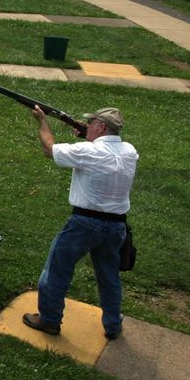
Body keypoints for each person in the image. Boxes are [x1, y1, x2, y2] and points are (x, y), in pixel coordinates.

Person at [23, 106, 139, 340]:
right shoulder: (130, 151)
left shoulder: (88, 151)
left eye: (92, 122)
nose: (89, 124)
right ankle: (113, 325)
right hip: (117, 226)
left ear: (101, 126)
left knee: (57, 270)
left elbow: (49, 149)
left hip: (84, 224)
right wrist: (88, 135)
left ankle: (49, 319)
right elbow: (102, 151)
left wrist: (42, 121)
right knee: (109, 278)